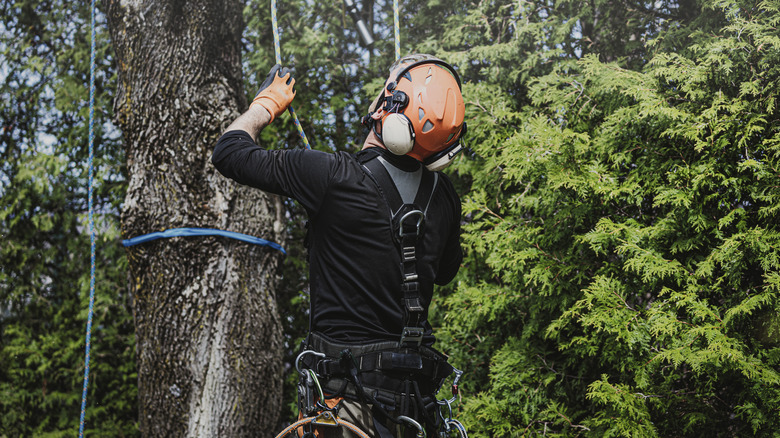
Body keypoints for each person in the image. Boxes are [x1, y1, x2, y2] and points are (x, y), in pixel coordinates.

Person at [212, 54, 467, 438]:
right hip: (413, 409)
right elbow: (444, 273)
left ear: (391, 109)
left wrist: (264, 105)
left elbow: (229, 152)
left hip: (344, 407)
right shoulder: (444, 196)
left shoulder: (332, 176)